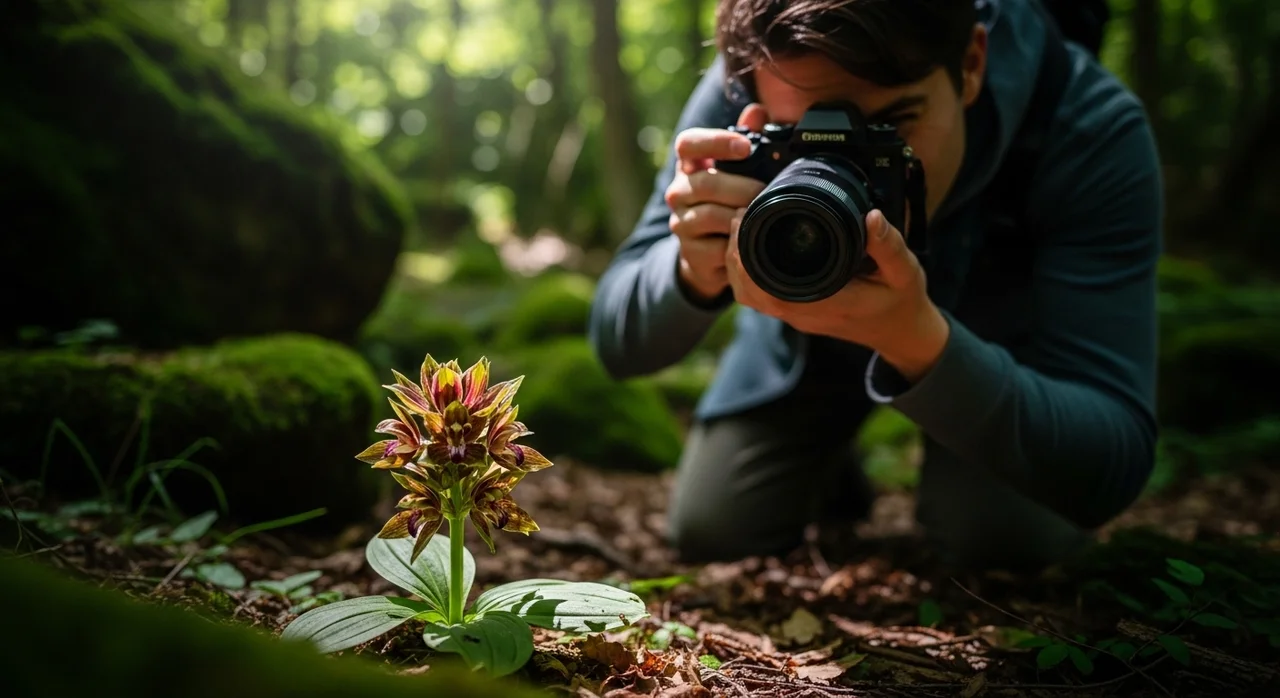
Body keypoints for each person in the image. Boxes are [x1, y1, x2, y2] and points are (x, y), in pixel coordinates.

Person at [587, 0, 1163, 572]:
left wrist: (919, 342)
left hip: (1003, 351)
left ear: (970, 63)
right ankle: (829, 455)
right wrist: (689, 267)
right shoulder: (751, 76)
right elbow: (615, 340)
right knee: (715, 528)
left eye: (891, 128)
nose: (853, 170)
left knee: (1004, 538)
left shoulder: (1085, 123)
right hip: (796, 351)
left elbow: (1112, 464)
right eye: (799, 134)